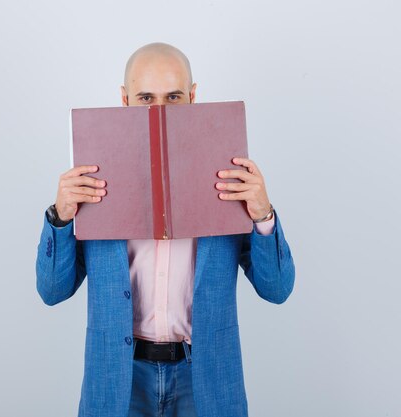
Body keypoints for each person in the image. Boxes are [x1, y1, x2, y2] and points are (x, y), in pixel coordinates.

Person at [36, 42, 295, 417]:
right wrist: (61, 216)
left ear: (193, 96)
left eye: (173, 96)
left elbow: (277, 289)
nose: (159, 110)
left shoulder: (227, 173)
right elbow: (52, 291)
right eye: (145, 97)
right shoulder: (93, 175)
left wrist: (262, 215)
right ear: (124, 100)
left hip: (205, 379)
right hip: (119, 382)